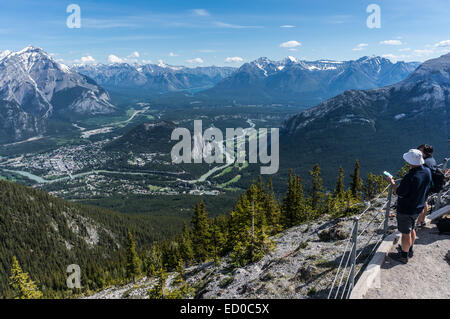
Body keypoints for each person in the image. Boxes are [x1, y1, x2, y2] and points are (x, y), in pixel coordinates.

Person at [385, 149, 432, 264]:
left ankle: (403, 256)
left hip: (406, 209)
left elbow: (400, 192)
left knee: (405, 233)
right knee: (412, 229)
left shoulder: (410, 176)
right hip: (418, 207)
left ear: (410, 162)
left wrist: (392, 182)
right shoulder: (427, 171)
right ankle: (410, 249)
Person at [416, 144, 437, 227]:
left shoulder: (424, 162)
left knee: (421, 203)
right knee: (425, 203)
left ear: (425, 153)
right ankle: (422, 220)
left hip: (424, 186)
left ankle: (418, 223)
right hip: (429, 186)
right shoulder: (431, 160)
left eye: (420, 151)